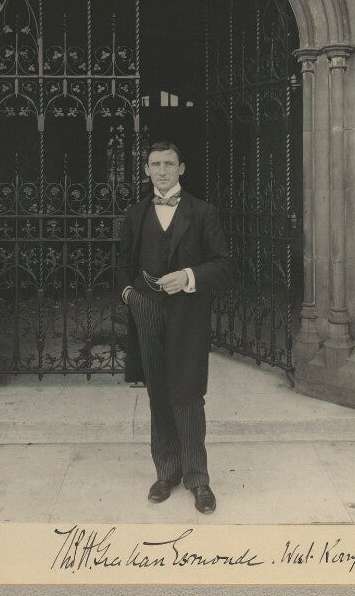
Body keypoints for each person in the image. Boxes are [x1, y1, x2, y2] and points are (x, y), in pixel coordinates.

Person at [117, 140, 232, 514]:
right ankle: (166, 472)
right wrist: (130, 295)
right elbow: (122, 264)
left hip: (187, 313)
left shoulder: (203, 212)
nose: (162, 171)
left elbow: (223, 265)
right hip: (146, 309)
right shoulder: (136, 213)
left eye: (169, 164)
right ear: (147, 170)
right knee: (158, 392)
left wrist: (188, 276)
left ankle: (198, 479)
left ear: (181, 168)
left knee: (187, 393)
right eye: (155, 164)